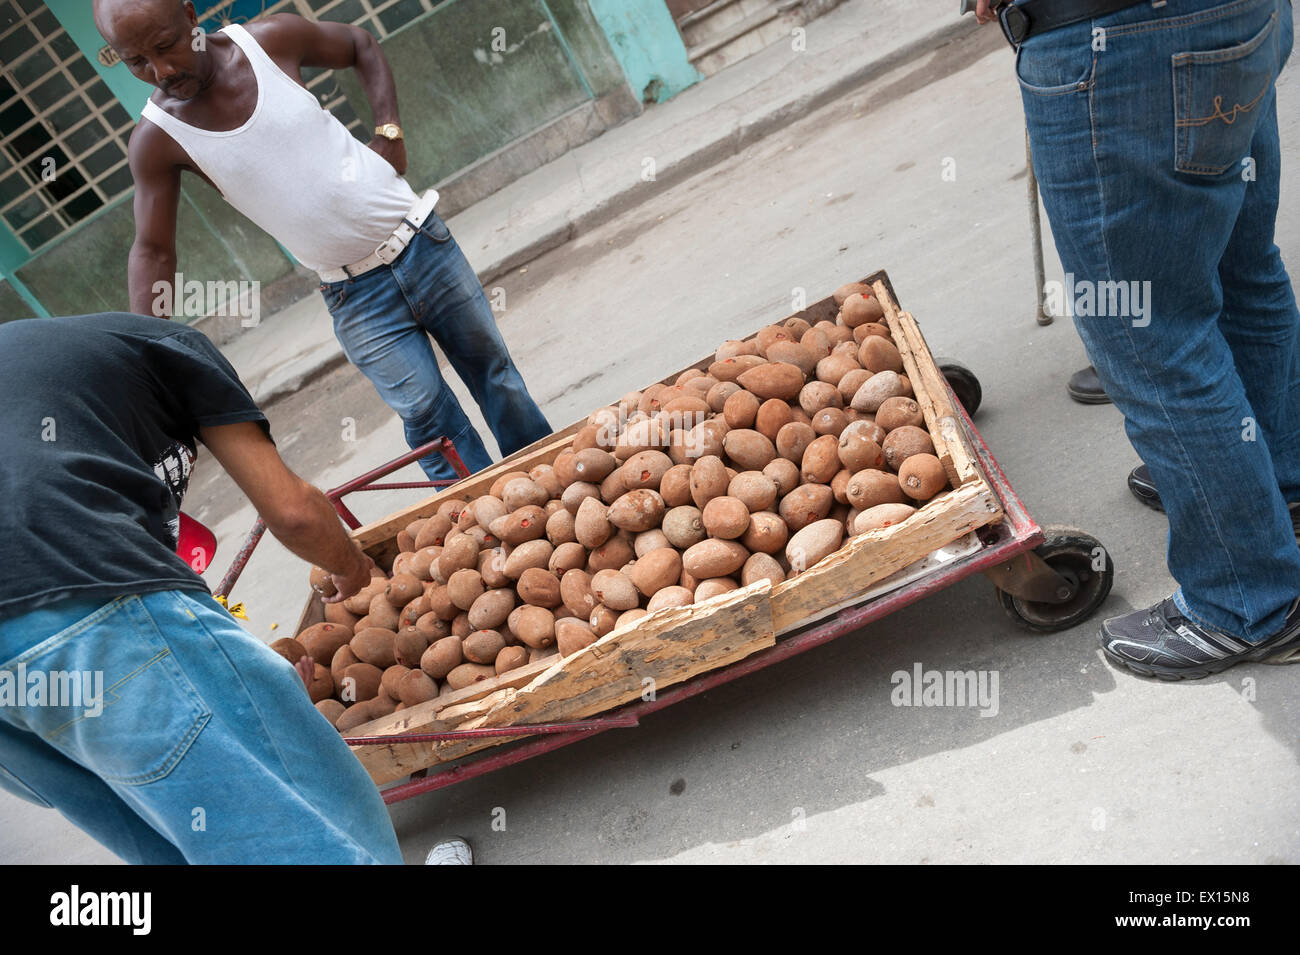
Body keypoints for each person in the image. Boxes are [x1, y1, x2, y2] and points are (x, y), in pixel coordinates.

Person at [0, 311, 409, 863]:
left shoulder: (49, 369)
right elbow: (293, 512)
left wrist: (222, 665)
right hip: (73, 602)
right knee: (305, 833)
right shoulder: (177, 348)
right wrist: (353, 568)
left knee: (176, 842)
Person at [95, 0, 552, 481]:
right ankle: (482, 520)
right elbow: (152, 249)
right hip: (354, 295)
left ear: (190, 15)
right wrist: (146, 352)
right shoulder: (158, 139)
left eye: (166, 46)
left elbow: (360, 44)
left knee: (494, 375)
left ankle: (544, 483)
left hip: (422, 242)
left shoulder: (270, 41)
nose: (161, 69)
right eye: (137, 62)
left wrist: (389, 130)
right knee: (424, 412)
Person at [976, 0, 1300, 677]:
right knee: (1241, 268)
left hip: (1119, 40)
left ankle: (1250, 600)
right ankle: (1272, 486)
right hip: (1232, 17)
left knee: (1147, 335)